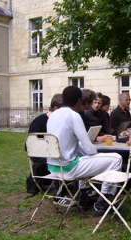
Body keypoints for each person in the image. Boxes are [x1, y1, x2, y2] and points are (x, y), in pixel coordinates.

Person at [46, 86, 123, 216]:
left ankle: (83, 199)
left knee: (84, 158)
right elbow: (89, 147)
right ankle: (103, 203)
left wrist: (92, 159)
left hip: (53, 168)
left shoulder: (53, 116)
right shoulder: (74, 116)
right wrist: (99, 160)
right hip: (68, 169)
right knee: (116, 158)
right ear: (79, 100)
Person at [25, 93, 63, 195]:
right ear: (55, 109)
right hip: (40, 154)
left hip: (53, 152)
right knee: (63, 159)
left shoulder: (59, 121)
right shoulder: (39, 121)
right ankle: (58, 190)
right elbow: (29, 146)